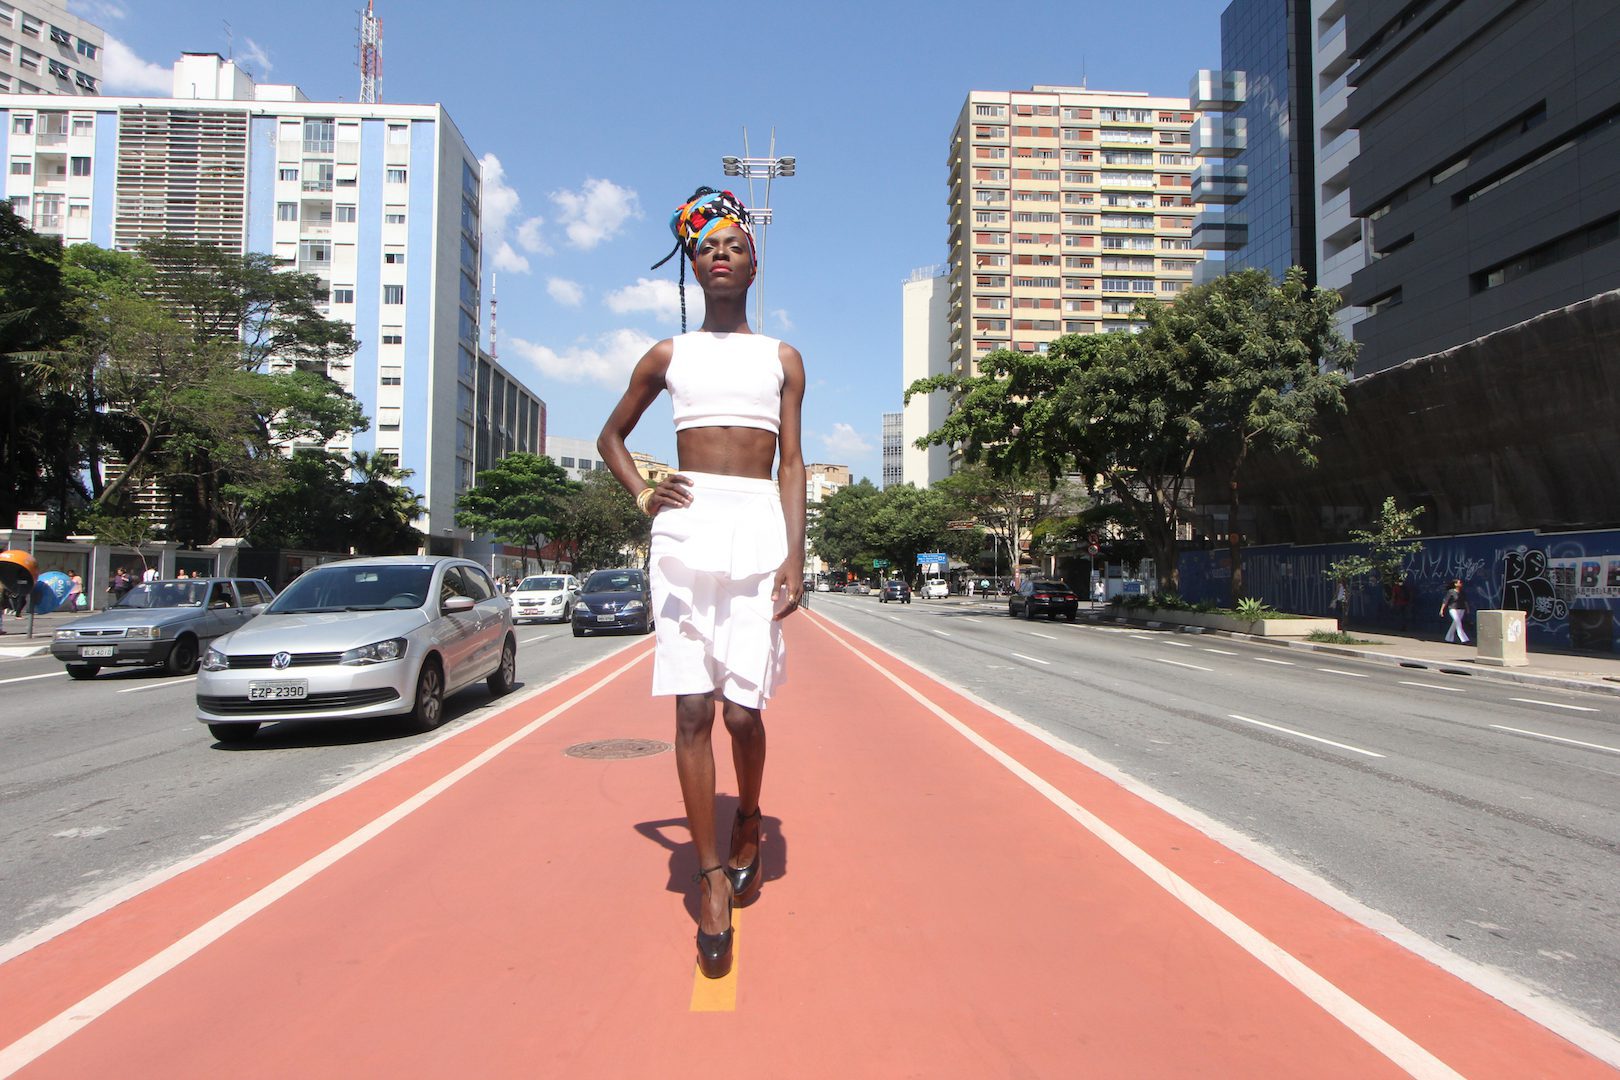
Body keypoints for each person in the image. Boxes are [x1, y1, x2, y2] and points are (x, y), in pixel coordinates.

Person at [598, 186, 806, 981]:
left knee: (744, 713)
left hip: (757, 524)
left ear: (755, 264)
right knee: (692, 707)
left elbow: (790, 463)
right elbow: (612, 436)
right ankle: (712, 876)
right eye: (709, 247)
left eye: (736, 246)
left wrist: (794, 555)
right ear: (694, 264)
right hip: (685, 528)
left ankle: (750, 812)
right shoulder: (667, 354)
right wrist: (645, 493)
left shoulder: (782, 357)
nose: (722, 255)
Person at [1441, 578, 1470, 644]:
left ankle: (1448, 638)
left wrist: (1467, 609)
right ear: (1455, 584)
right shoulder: (1451, 591)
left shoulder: (1462, 592)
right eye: (1459, 582)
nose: (1461, 584)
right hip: (1453, 609)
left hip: (1461, 609)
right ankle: (1464, 639)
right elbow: (1445, 601)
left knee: (1455, 624)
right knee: (1458, 622)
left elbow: (1465, 602)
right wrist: (1442, 610)